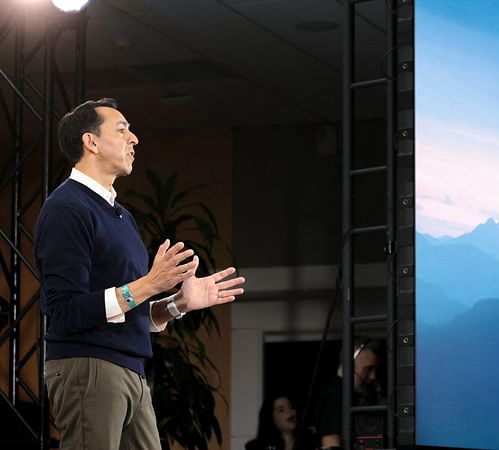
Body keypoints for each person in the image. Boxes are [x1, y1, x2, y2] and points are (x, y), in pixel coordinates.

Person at [34, 98, 246, 449]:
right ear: (91, 142)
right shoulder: (66, 209)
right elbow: (63, 311)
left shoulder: (121, 215)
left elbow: (124, 308)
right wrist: (148, 284)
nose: (134, 139)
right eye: (122, 130)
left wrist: (177, 304)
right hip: (89, 367)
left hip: (130, 369)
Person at [315, 338, 383, 449]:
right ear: (349, 366)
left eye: (375, 370)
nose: (373, 376)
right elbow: (331, 444)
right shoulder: (336, 395)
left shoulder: (351, 395)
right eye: (368, 369)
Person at [246, 394, 314, 450]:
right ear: (270, 417)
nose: (289, 411)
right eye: (281, 410)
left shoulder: (309, 443)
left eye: (291, 407)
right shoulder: (256, 447)